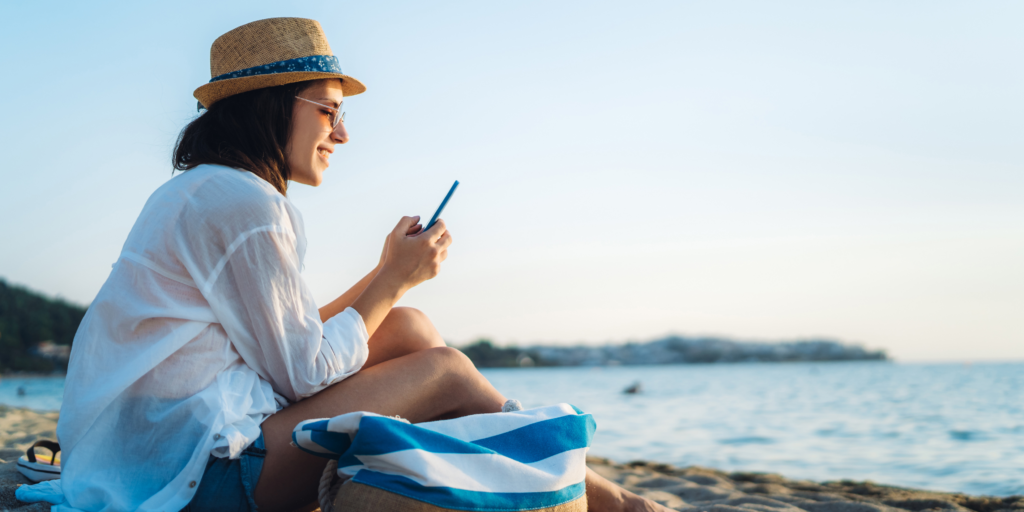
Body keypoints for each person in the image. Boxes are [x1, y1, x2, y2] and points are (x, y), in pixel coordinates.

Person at [53, 17, 673, 512]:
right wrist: (394, 277)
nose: (342, 133)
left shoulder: (203, 191)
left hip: (147, 454)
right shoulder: (248, 205)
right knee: (447, 372)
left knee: (409, 327)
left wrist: (388, 275)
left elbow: (277, 347)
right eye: (328, 110)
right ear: (271, 106)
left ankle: (563, 478)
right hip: (188, 481)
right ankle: (613, 502)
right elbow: (300, 374)